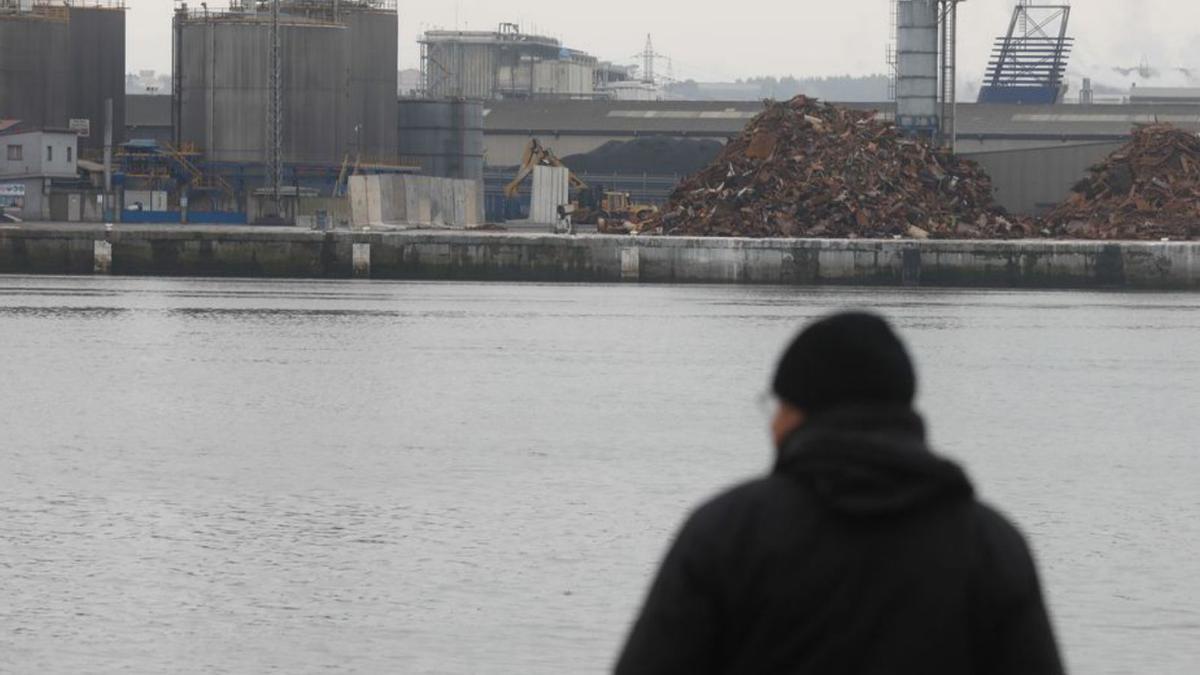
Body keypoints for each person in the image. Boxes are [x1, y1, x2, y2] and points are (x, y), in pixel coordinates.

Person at [615, 312, 1064, 675]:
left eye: (777, 407)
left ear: (797, 413)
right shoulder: (990, 545)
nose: (771, 424)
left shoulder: (728, 533)